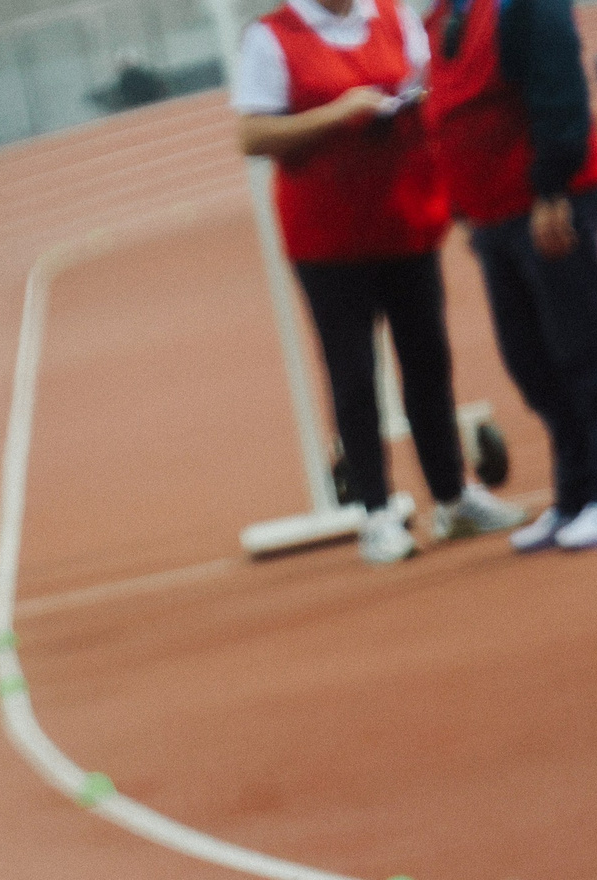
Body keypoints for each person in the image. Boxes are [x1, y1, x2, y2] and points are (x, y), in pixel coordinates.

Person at [235, 0, 529, 562]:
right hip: (328, 238)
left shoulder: (392, 19)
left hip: (406, 219)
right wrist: (337, 113)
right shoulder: (273, 37)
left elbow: (430, 87)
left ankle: (452, 496)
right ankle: (375, 512)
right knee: (353, 376)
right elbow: (251, 135)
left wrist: (410, 105)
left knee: (427, 360)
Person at [428, 0, 597, 550]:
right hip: (495, 215)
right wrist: (466, 206)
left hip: (547, 203)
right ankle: (577, 493)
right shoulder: (447, 14)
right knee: (532, 361)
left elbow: (560, 94)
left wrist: (553, 189)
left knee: (585, 346)